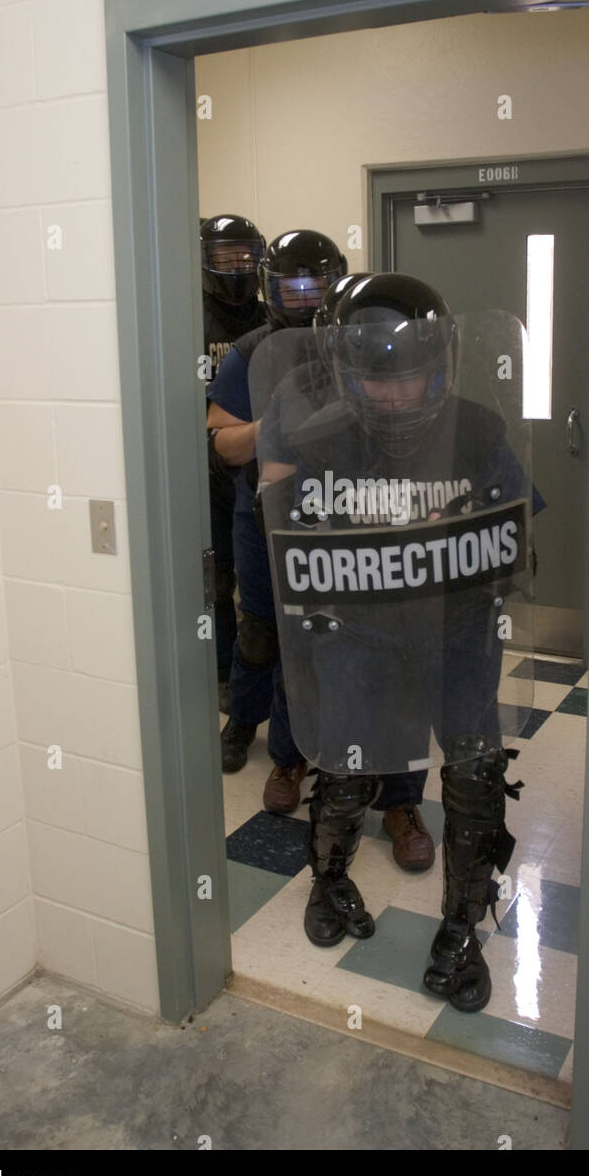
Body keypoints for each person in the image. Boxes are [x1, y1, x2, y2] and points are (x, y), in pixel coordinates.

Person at [254, 273, 545, 1012]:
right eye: (374, 381)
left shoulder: (479, 432)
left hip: (459, 635)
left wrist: (495, 555)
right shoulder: (320, 439)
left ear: (437, 366)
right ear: (347, 376)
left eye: (406, 377)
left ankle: (461, 929)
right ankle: (328, 879)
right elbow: (294, 547)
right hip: (361, 632)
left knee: (476, 777)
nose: (391, 396)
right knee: (346, 766)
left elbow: (522, 532)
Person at [206, 229, 347, 814]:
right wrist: (275, 425)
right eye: (292, 289)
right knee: (261, 626)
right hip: (261, 505)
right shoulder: (250, 351)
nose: (306, 299)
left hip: (341, 510)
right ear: (271, 290)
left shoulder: (359, 340)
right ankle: (243, 721)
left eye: (316, 287)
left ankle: (305, 749)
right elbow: (222, 446)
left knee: (321, 633)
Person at [199, 214, 266, 712]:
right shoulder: (187, 315)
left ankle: (262, 679)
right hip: (203, 466)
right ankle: (223, 672)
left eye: (246, 255)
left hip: (260, 466)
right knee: (219, 575)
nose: (238, 266)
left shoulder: (272, 318)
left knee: (263, 583)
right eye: (227, 258)